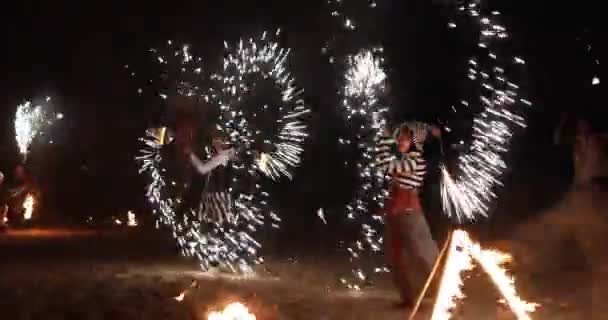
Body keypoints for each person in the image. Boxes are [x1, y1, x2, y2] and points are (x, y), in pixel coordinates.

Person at [376, 121, 441, 308]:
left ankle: (448, 295)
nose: (400, 142)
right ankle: (408, 298)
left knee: (426, 257)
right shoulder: (407, 159)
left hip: (411, 216)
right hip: (396, 215)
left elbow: (385, 165)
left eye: (404, 139)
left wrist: (384, 140)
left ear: (414, 141)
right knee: (394, 258)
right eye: (399, 138)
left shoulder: (415, 161)